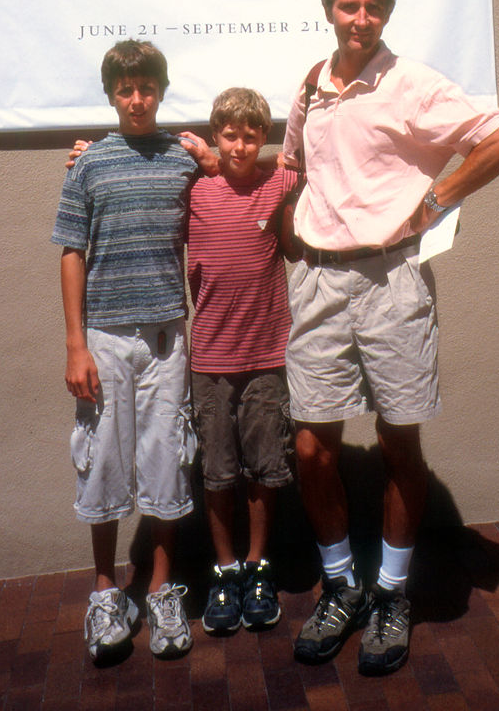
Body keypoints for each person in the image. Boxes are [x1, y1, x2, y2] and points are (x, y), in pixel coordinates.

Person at [281, 0, 499, 676]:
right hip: (320, 283)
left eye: (375, 9)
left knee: (398, 445)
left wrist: (434, 202)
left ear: (386, 14)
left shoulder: (413, 83)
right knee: (310, 450)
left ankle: (391, 594)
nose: (362, 20)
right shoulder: (309, 87)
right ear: (329, 8)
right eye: (351, 6)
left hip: (392, 285)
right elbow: (293, 169)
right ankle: (341, 586)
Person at [52, 39, 202, 666]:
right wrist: (75, 344)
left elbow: (238, 187)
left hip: (167, 340)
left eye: (146, 87)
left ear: (161, 91)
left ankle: (164, 589)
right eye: (125, 89)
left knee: (167, 458)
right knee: (104, 462)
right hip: (106, 342)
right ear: (112, 94)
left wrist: (213, 153)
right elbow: (70, 250)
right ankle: (107, 591)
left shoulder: (182, 161)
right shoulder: (90, 165)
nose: (136, 99)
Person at [186, 87, 300, 636]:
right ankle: (224, 570)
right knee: (217, 471)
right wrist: (86, 151)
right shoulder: (193, 187)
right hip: (209, 356)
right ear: (215, 137)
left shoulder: (278, 182)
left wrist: (282, 159)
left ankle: (257, 567)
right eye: (229, 134)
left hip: (267, 355)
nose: (240, 144)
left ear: (264, 138)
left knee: (264, 468)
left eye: (251, 134)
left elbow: (316, 154)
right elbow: (149, 156)